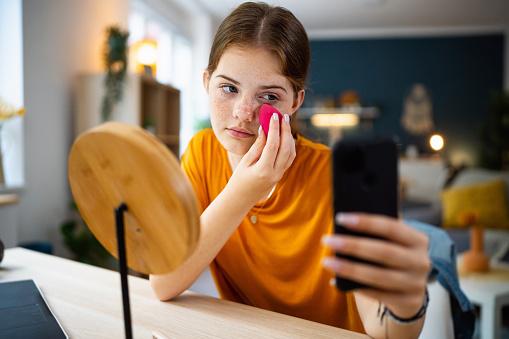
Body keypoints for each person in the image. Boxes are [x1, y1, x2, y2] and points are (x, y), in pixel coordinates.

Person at [150, 2, 431, 338]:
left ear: (295, 102)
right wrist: (244, 191)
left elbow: (383, 329)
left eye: (268, 96)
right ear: (207, 82)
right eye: (229, 88)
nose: (242, 112)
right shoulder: (201, 152)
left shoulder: (334, 175)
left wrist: (407, 304)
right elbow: (163, 282)